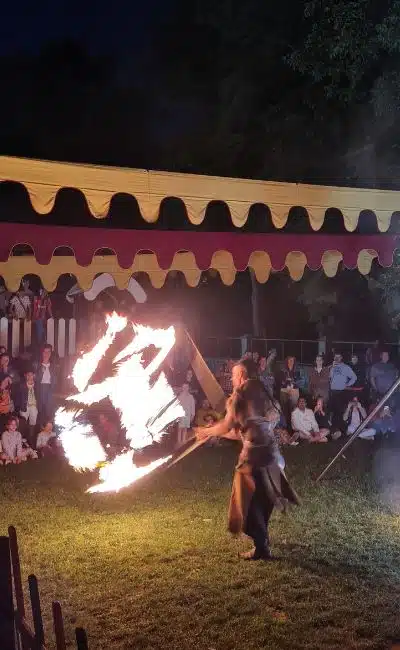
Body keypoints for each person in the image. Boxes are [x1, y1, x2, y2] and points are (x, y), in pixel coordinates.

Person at [216, 379, 299, 560]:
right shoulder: (262, 407)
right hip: (270, 461)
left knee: (250, 508)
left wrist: (206, 431)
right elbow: (241, 429)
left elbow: (231, 426)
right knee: (261, 504)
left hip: (260, 463)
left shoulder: (246, 406)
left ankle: (262, 546)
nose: (235, 381)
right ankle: (262, 547)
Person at [329, 353, 357, 439]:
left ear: (341, 358)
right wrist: (332, 367)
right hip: (332, 392)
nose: (336, 358)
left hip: (341, 392)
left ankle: (341, 431)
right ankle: (335, 431)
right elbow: (330, 377)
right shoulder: (332, 367)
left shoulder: (346, 367)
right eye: (335, 357)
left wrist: (347, 385)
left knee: (339, 412)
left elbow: (354, 377)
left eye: (338, 357)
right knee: (332, 412)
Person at [35, 344, 57, 423]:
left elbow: (55, 378)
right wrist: (41, 371)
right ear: (42, 353)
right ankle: (40, 426)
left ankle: (49, 426)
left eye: (49, 352)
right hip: (40, 387)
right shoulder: (37, 364)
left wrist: (54, 388)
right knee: (40, 409)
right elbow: (34, 379)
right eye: (45, 352)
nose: (46, 354)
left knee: (49, 409)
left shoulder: (53, 365)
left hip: (50, 388)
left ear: (51, 353)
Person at [279, 356, 300, 429]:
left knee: (293, 409)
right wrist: (286, 382)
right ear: (287, 361)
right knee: (284, 409)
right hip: (284, 390)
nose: (291, 362)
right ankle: (284, 426)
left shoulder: (297, 370)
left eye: (292, 360)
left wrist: (293, 383)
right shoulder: (283, 370)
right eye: (289, 360)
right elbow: (280, 381)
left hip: (294, 390)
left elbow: (299, 381)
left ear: (294, 362)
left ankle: (293, 426)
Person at [19, 370, 38, 445]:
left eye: (31, 375)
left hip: (34, 406)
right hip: (24, 406)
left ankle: (30, 438)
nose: (30, 377)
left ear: (34, 375)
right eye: (28, 375)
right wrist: (20, 405)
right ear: (25, 376)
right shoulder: (21, 385)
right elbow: (18, 396)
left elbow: (40, 395)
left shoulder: (37, 385)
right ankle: (21, 439)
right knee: (23, 423)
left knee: (32, 423)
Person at [177, 382, 196, 447]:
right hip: (180, 414)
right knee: (180, 428)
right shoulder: (180, 397)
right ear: (182, 388)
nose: (185, 388)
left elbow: (192, 406)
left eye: (186, 387)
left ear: (188, 388)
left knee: (185, 428)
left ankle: (183, 440)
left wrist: (192, 414)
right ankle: (179, 441)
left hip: (187, 414)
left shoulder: (191, 397)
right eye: (184, 387)